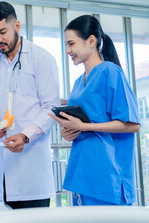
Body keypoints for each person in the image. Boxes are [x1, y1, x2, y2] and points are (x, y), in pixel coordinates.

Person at [49, 15, 140, 206]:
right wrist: (71, 131)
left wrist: (85, 126)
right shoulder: (77, 82)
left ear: (91, 41)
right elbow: (85, 124)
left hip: (106, 176)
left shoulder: (110, 72)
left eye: (71, 44)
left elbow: (132, 125)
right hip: (82, 172)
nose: (68, 50)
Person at [0, 1, 60, 209]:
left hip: (33, 171)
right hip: (3, 167)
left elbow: (51, 107)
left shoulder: (41, 59)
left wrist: (25, 135)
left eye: (2, 32)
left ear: (17, 26)